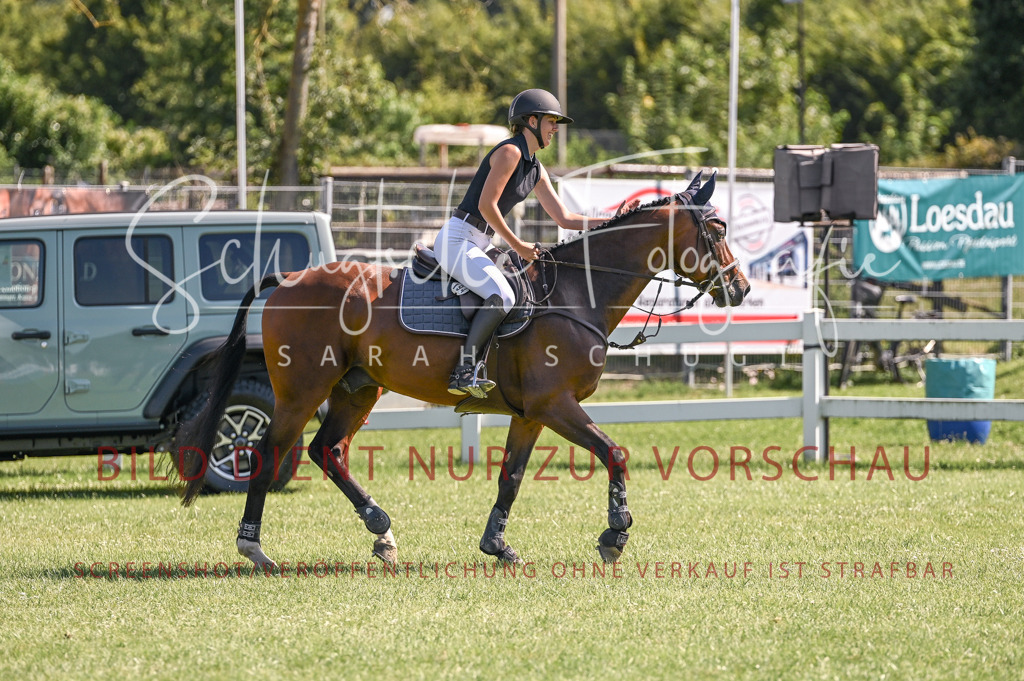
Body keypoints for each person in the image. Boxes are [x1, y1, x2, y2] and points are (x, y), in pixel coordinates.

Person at [435, 88, 639, 398]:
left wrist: (615, 221)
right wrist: (517, 244)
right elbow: (488, 206)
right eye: (551, 122)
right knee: (501, 295)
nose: (556, 128)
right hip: (458, 239)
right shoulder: (510, 153)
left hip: (479, 241)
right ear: (531, 121)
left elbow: (566, 218)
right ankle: (463, 371)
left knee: (520, 291)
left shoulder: (535, 168)